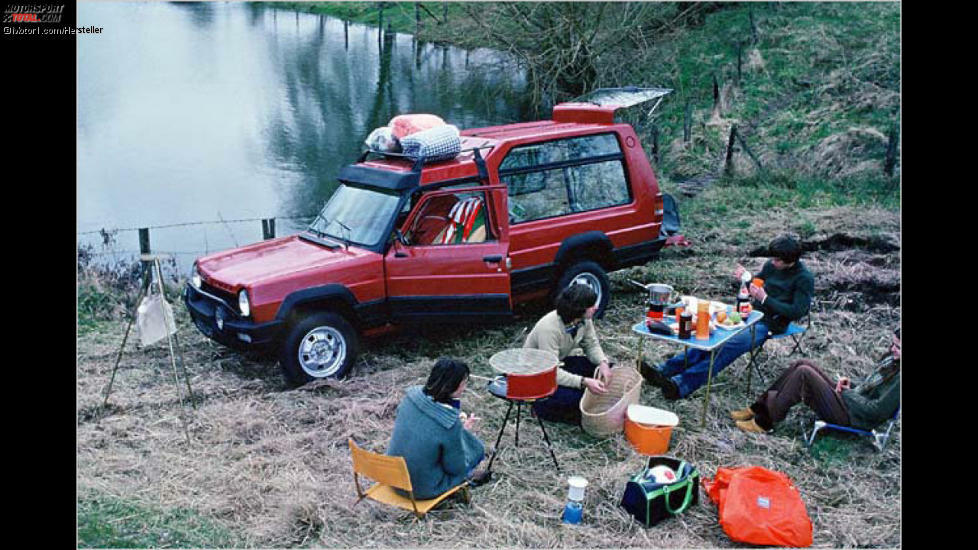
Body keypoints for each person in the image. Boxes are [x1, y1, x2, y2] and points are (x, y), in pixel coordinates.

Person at [643, 234, 815, 400]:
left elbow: (797, 311)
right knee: (708, 333)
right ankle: (663, 371)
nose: (773, 262)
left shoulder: (803, 278)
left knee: (728, 346)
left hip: (771, 323)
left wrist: (765, 299)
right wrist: (745, 279)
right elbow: (755, 284)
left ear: (791, 260)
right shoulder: (771, 266)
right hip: (748, 314)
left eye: (778, 260)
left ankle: (681, 385)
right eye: (773, 258)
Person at [732, 328, 900, 433]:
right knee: (803, 363)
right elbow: (869, 386)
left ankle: (765, 422)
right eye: (893, 344)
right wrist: (851, 385)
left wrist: (848, 393)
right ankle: (759, 407)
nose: (893, 349)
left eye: (898, 347)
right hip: (852, 402)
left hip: (855, 418)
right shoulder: (893, 361)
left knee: (804, 373)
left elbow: (876, 411)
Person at [387, 358, 488, 499]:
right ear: (454, 386)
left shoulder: (411, 396)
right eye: (464, 383)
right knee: (477, 449)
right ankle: (469, 480)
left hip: (391, 476)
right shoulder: (449, 423)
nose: (464, 387)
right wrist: (461, 433)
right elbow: (455, 468)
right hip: (420, 489)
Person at [523, 284, 614, 424]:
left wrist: (603, 363)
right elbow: (551, 372)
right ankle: (539, 406)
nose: (595, 307)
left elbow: (590, 343)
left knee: (608, 369)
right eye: (591, 305)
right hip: (539, 374)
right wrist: (583, 382)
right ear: (578, 309)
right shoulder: (549, 329)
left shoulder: (584, 319)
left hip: (560, 361)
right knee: (578, 399)